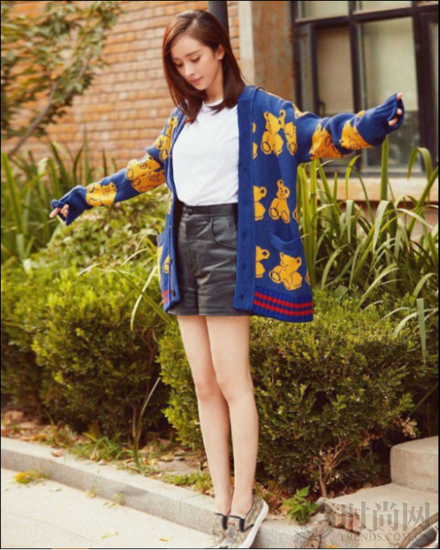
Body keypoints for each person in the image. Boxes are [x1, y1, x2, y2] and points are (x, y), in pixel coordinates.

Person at [49, 9, 404, 549]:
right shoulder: (182, 119)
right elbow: (145, 171)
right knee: (203, 383)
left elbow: (317, 135)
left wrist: (369, 125)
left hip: (230, 244)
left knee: (233, 380)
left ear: (219, 50)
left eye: (195, 58)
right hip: (183, 246)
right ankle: (221, 499)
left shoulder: (262, 110)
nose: (189, 71)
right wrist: (83, 198)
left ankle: (245, 500)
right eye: (178, 64)